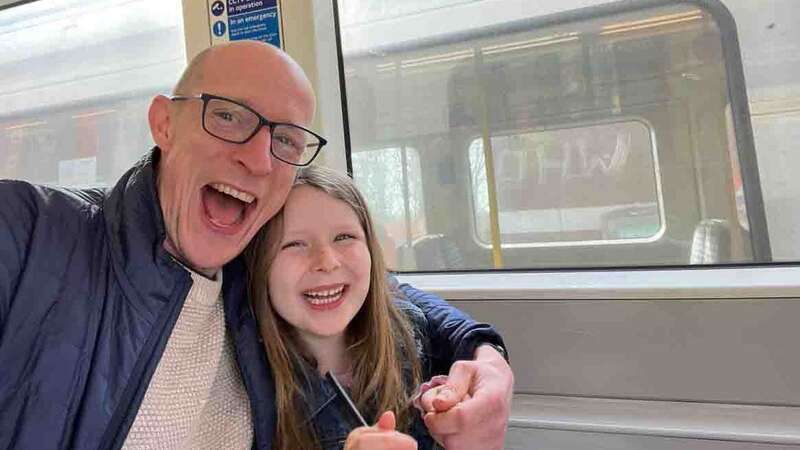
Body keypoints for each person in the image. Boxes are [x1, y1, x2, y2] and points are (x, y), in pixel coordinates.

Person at [0, 40, 512, 449]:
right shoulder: (31, 235)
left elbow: (386, 292)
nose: (259, 159)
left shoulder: (248, 270)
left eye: (286, 139)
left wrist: (487, 357)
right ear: (164, 123)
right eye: (227, 116)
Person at [247, 165, 447, 449]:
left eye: (344, 237)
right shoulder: (249, 390)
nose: (327, 261)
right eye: (294, 244)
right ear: (260, 266)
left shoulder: (410, 334)